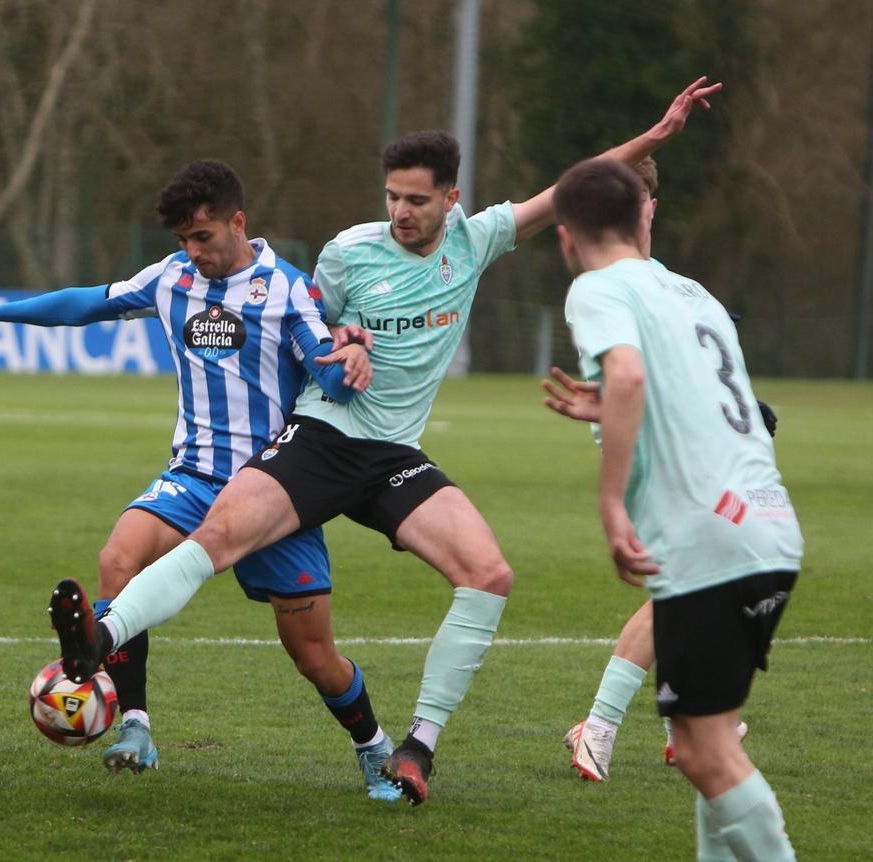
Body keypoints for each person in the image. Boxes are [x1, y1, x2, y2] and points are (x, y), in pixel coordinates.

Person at [52, 78, 722, 806]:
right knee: (217, 538)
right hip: (323, 438)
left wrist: (653, 139)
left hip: (393, 459)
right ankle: (99, 639)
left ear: (451, 199)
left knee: (489, 574)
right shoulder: (348, 253)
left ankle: (416, 749)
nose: (400, 212)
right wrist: (344, 345)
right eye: (392, 197)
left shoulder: (476, 241)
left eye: (416, 199)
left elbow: (572, 190)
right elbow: (306, 332)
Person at [0, 160, 405, 802]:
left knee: (315, 657)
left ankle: (373, 748)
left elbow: (327, 381)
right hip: (192, 475)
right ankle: (135, 727)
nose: (192, 251)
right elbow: (89, 304)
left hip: (274, 491)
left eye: (203, 237)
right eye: (183, 239)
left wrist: (351, 357)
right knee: (117, 558)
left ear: (238, 222)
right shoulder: (170, 279)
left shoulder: (288, 290)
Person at [554, 156, 802, 860]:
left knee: (704, 756)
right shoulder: (692, 293)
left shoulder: (595, 288)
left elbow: (629, 372)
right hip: (769, 525)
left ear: (567, 238)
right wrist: (610, 403)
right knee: (708, 747)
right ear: (643, 217)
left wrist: (610, 504)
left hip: (707, 539)